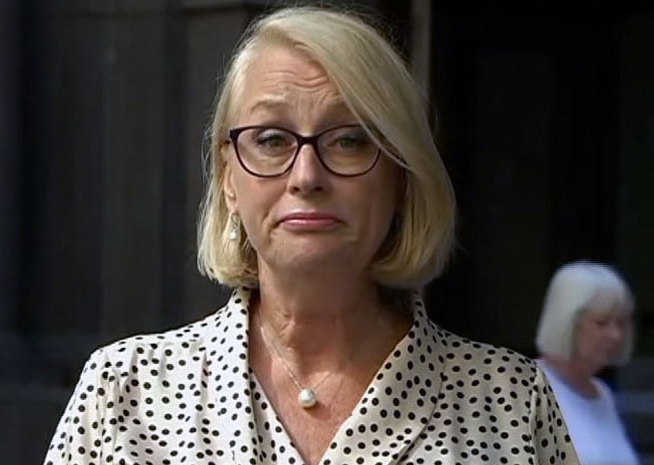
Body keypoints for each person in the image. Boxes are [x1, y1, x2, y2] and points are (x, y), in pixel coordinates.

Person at [43, 5, 580, 465]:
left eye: (349, 140)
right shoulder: (125, 392)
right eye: (272, 139)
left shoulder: (510, 399)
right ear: (229, 177)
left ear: (400, 174)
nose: (306, 176)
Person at [535, 260, 639, 465]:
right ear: (568, 323)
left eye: (620, 323)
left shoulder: (603, 395)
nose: (615, 335)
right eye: (601, 323)